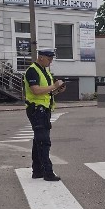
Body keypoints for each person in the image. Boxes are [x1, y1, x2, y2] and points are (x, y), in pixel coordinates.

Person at [24, 49, 66, 181]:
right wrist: (54, 86)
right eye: (49, 59)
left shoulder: (44, 71)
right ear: (41, 57)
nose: (51, 61)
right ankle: (47, 172)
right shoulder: (32, 70)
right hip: (37, 109)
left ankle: (37, 171)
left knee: (38, 141)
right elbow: (35, 90)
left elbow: (46, 92)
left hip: (44, 109)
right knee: (43, 141)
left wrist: (57, 90)